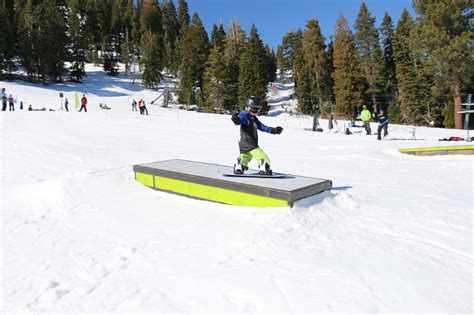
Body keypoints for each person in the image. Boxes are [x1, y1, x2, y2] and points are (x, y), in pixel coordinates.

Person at [231, 96, 283, 175]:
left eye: (258, 110)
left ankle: (240, 165)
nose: (256, 112)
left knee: (246, 156)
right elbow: (238, 122)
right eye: (254, 109)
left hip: (243, 143)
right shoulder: (244, 115)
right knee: (263, 157)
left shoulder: (253, 118)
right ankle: (264, 167)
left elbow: (261, 126)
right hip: (249, 142)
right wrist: (235, 118)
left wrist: (273, 130)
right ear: (247, 108)